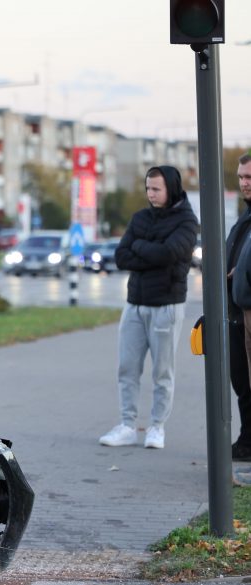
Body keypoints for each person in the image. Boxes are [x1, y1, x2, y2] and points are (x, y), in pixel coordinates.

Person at [99, 165, 199, 449]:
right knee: (127, 368)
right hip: (134, 305)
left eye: (156, 189)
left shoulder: (187, 222)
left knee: (162, 372)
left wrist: (140, 247)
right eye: (148, 188)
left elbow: (169, 254)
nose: (150, 194)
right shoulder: (140, 218)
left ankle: (157, 427)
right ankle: (127, 425)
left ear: (171, 188)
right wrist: (150, 250)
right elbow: (121, 256)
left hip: (166, 306)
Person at [227, 153, 251, 461]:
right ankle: (247, 439)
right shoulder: (244, 217)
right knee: (242, 380)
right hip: (237, 310)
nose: (246, 182)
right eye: (242, 177)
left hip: (247, 307)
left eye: (250, 177)